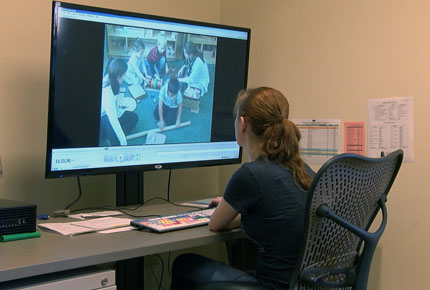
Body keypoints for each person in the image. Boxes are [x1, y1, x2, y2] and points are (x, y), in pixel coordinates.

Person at [171, 87, 315, 290]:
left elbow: (216, 224)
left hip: (273, 285)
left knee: (184, 264)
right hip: (304, 283)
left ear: (242, 123)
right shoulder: (302, 169)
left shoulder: (251, 174)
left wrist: (233, 209)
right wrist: (242, 208)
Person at [100, 58, 138, 146]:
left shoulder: (112, 79)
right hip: (104, 119)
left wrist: (120, 110)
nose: (124, 77)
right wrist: (123, 141)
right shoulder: (107, 93)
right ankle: (109, 137)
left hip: (111, 114)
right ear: (118, 76)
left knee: (134, 118)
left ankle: (110, 136)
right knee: (117, 143)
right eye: (124, 75)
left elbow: (115, 105)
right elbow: (113, 119)